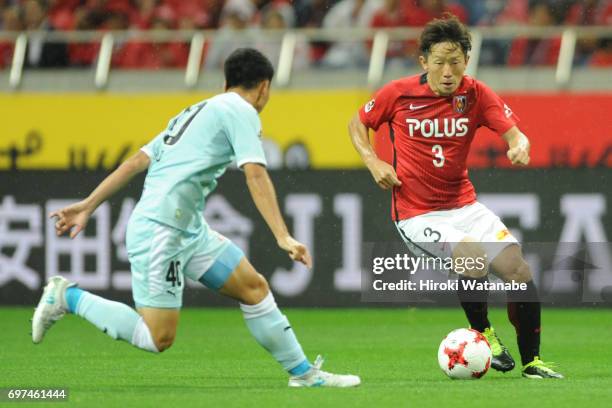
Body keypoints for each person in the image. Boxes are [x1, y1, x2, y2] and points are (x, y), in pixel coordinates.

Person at [32, 48, 360, 389]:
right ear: (264, 87)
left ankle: (303, 374)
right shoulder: (241, 110)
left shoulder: (196, 110)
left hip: (187, 229)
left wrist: (88, 204)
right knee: (156, 338)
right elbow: (255, 175)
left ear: (226, 81)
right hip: (161, 231)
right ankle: (66, 297)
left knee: (254, 288)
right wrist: (283, 236)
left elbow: (135, 162)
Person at [348, 15, 563, 379]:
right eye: (439, 62)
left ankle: (532, 363)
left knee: (519, 271)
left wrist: (518, 144)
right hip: (417, 214)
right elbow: (357, 123)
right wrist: (372, 160)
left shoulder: (476, 93)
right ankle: (486, 336)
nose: (448, 71)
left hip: (465, 206)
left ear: (466, 60)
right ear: (423, 62)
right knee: (470, 257)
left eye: (456, 62)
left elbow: (514, 133)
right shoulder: (398, 93)